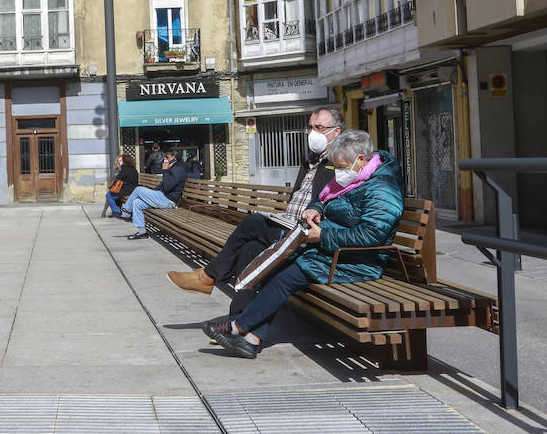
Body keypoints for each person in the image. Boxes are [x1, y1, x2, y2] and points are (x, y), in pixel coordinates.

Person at [205, 129, 405, 359]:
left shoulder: (383, 189)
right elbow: (325, 200)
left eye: (341, 167)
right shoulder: (358, 178)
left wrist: (323, 236)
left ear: (361, 159)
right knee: (275, 264)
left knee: (286, 275)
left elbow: (371, 235)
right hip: (334, 252)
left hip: (357, 259)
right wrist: (315, 209)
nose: (338, 173)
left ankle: (239, 327)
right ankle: (251, 339)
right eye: (335, 167)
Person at [168, 107, 343, 298]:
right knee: (250, 250)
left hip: (305, 235)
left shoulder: (340, 164)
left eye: (319, 127)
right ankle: (239, 321)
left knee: (252, 222)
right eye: (310, 127)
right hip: (287, 225)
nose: (313, 133)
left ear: (337, 131)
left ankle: (209, 275)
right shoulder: (309, 160)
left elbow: (330, 205)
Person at [123, 152, 187, 239]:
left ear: (174, 159)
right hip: (162, 198)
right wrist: (150, 195)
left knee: (138, 189)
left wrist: (165, 170)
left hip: (168, 201)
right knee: (137, 202)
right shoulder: (173, 169)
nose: (165, 159)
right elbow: (161, 187)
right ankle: (142, 232)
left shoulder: (178, 170)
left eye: (167, 157)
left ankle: (126, 211)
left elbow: (168, 187)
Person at [102, 153, 139, 218]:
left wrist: (111, 187)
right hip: (133, 189)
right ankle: (117, 210)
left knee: (109, 195)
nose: (120, 162)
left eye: (122, 160)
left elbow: (118, 178)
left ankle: (117, 211)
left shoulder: (125, 169)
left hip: (127, 190)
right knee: (114, 195)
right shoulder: (133, 169)